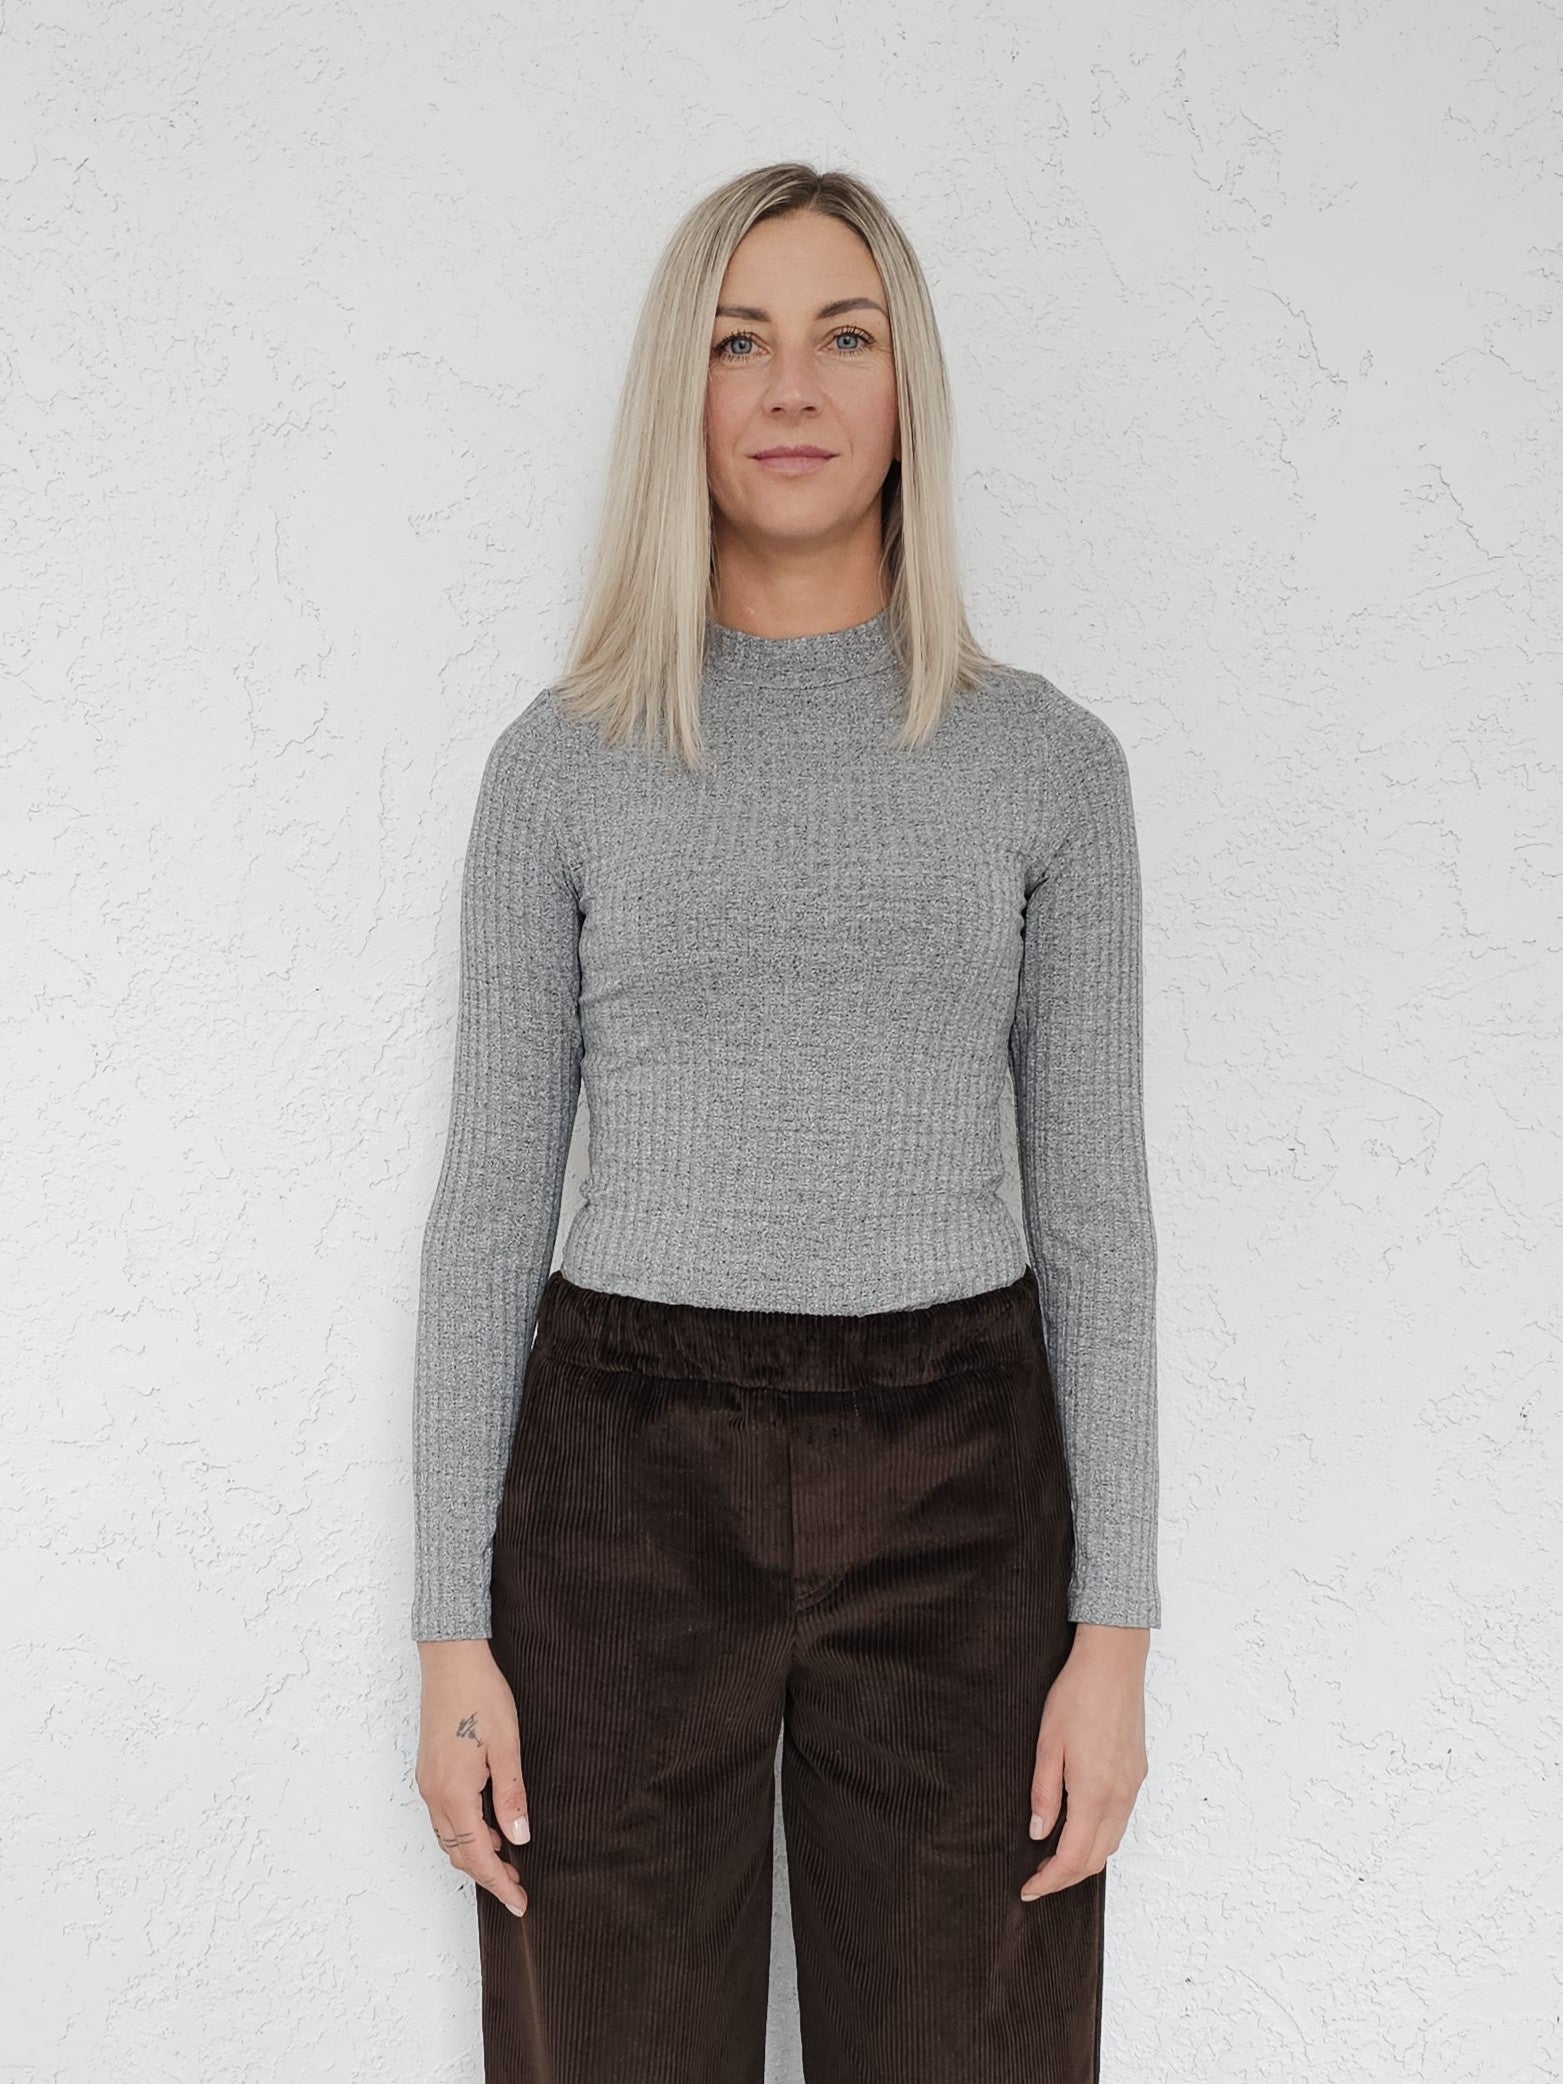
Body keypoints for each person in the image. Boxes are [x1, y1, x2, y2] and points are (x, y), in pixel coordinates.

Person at [411, 160, 1161, 2084]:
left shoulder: (1048, 767)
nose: (793, 387)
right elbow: (490, 1204)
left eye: (845, 335)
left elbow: (1095, 1216)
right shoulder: (561, 764)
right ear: (685, 390)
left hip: (963, 1488)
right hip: (621, 1488)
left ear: (909, 388)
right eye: (739, 342)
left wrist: (1115, 1637)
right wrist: (447, 1634)